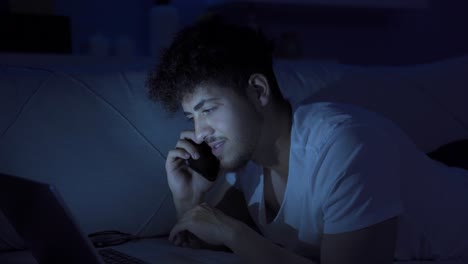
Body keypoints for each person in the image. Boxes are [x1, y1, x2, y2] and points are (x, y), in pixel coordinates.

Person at [146, 16, 468, 264]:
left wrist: (233, 232)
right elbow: (208, 239)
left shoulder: (345, 145)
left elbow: (232, 235)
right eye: (192, 117)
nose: (200, 132)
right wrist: (189, 199)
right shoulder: (248, 161)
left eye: (209, 110)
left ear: (258, 90)